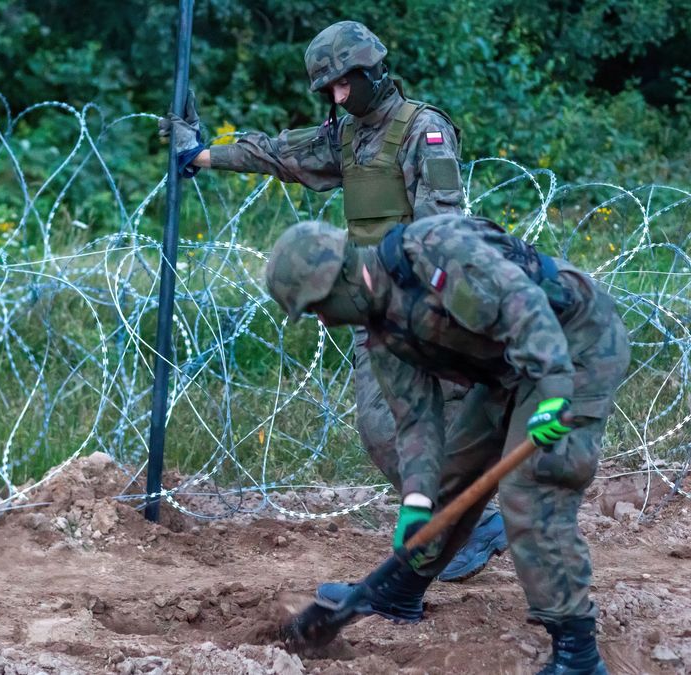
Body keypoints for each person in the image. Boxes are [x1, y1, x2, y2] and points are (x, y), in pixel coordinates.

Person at [159, 20, 509, 593]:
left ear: (371, 72)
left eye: (343, 86)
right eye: (330, 92)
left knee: (447, 423)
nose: (338, 98)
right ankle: (467, 525)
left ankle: (470, 530)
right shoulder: (346, 137)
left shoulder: (424, 130)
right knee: (385, 427)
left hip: (428, 306)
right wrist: (201, 154)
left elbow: (443, 230)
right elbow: (277, 152)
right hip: (372, 308)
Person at [264, 214, 629, 675]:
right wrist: (415, 505)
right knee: (452, 474)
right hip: (509, 368)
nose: (323, 318)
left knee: (532, 488)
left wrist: (556, 392)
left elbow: (524, 306)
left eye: (318, 305)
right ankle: (402, 589)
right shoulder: (383, 333)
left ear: (343, 278)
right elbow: (418, 421)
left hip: (572, 347)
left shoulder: (434, 251)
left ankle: (577, 653)